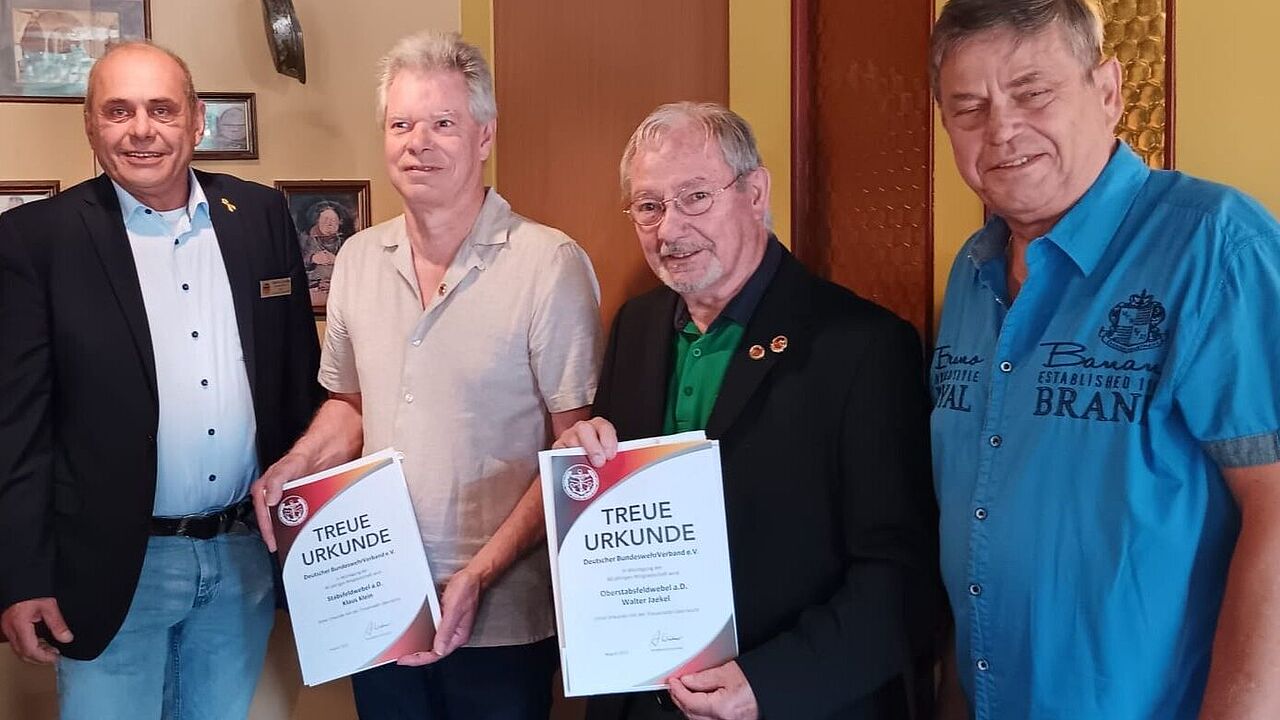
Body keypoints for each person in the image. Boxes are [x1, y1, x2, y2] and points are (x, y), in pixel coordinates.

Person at [930, 1, 1280, 718]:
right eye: (969, 108)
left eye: (1033, 93)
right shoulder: (971, 271)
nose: (1001, 129)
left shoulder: (1216, 247)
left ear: (1109, 90)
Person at [251, 30, 602, 719]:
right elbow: (350, 403)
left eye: (443, 123)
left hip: (502, 618)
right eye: (402, 124)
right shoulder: (354, 258)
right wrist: (294, 462)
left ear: (484, 136)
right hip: (378, 601)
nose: (419, 142)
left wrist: (477, 573)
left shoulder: (549, 264)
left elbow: (572, 453)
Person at [556, 102, 939, 720]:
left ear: (755, 192)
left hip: (789, 702)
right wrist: (586, 473)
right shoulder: (637, 326)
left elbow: (901, 579)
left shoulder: (863, 346)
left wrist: (768, 684)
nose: (669, 229)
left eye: (695, 197)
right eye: (648, 206)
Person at [0, 42, 322, 720]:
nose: (141, 129)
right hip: (110, 566)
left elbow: (297, 381)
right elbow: (16, 429)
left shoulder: (261, 217)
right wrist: (20, 576)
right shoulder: (34, 240)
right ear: (91, 125)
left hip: (242, 556)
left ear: (196, 121)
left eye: (161, 109)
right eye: (118, 111)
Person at [297, 199, 350, 307]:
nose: (329, 223)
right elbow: (293, 267)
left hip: (341, 293)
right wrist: (312, 258)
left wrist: (336, 260)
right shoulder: (305, 241)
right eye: (325, 219)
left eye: (334, 220)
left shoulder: (347, 243)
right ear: (317, 221)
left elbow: (356, 270)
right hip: (313, 292)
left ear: (340, 222)